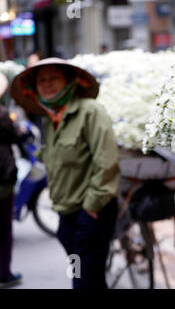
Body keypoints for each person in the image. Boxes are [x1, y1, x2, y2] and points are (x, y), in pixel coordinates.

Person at [11, 58, 120, 289]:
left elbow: (106, 162)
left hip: (92, 212)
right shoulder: (51, 119)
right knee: (83, 275)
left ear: (69, 81)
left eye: (53, 78)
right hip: (66, 213)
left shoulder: (90, 111)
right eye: (41, 80)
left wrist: (91, 208)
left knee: (84, 281)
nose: (47, 84)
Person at [0, 72, 22, 288]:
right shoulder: (2, 115)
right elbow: (15, 136)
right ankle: (4, 273)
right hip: (3, 179)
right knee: (4, 230)